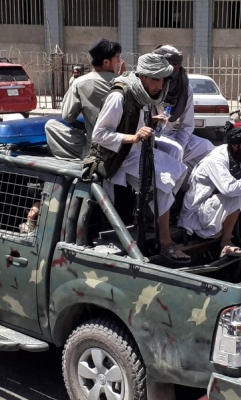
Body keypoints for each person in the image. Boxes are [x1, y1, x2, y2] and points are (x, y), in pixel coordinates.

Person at [91, 53, 189, 263]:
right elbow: (99, 135)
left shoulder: (144, 95)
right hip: (120, 158)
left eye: (162, 79)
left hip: (138, 152)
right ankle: (165, 242)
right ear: (141, 76)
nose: (159, 84)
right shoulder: (120, 97)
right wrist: (134, 137)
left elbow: (134, 121)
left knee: (180, 171)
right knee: (162, 187)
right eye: (155, 79)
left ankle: (152, 213)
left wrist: (151, 120)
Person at [179, 121, 241, 256]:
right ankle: (226, 242)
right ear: (234, 145)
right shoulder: (216, 159)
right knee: (237, 196)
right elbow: (229, 188)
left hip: (216, 207)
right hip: (198, 214)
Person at [45, 38, 123, 160]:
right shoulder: (126, 82)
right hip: (124, 148)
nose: (119, 62)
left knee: (50, 125)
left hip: (95, 151)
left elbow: (67, 116)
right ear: (106, 62)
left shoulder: (80, 83)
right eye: (117, 58)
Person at [152, 44, 214, 172]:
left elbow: (187, 125)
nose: (174, 68)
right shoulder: (150, 84)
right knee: (174, 151)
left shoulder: (185, 89)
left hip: (172, 136)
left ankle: (190, 184)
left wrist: (181, 145)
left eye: (177, 65)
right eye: (170, 64)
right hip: (152, 135)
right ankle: (168, 190)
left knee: (208, 147)